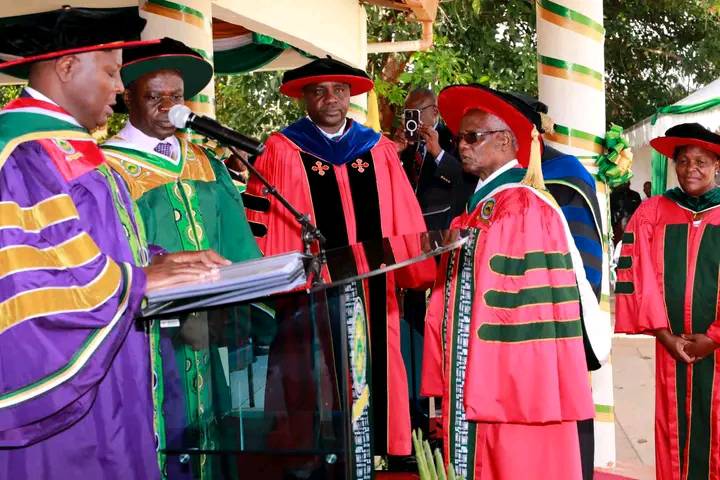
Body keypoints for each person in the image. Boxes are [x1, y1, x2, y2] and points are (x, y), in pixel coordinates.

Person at [0, 7, 226, 480]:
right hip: (65, 405)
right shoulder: (23, 151)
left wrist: (160, 262)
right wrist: (139, 279)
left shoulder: (71, 148)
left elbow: (88, 247)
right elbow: (38, 281)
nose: (119, 89)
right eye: (110, 72)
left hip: (113, 368)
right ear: (65, 67)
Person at [244, 57, 435, 463]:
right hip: (311, 293)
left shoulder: (378, 149)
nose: (331, 99)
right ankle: (314, 458)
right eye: (319, 91)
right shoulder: (282, 149)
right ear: (305, 99)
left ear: (351, 96)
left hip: (373, 287)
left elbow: (403, 216)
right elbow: (262, 223)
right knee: (311, 371)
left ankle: (381, 450)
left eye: (340, 90)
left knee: (380, 362)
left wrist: (415, 268)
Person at [101, 37, 269, 479]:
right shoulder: (106, 169)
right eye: (155, 97)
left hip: (209, 334)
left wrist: (233, 315)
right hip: (147, 341)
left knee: (209, 443)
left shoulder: (205, 163)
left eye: (176, 97)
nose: (168, 107)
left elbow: (237, 246)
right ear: (127, 97)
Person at [421, 84, 595, 480]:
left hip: (508, 387)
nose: (461, 145)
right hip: (477, 378)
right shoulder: (484, 206)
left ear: (504, 141)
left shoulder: (522, 207)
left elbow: (521, 315)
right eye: (458, 137)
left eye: (472, 136)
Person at [615, 122, 720, 480]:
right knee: (673, 431)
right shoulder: (653, 213)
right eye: (684, 160)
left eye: (702, 161)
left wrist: (714, 337)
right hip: (670, 347)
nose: (692, 168)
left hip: (717, 349)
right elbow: (638, 276)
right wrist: (664, 335)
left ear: (716, 166)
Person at [395, 87, 476, 230]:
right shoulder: (406, 140)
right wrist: (396, 153)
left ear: (435, 112)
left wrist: (438, 153)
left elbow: (465, 180)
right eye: (408, 114)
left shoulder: (454, 138)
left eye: (416, 113)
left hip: (438, 226)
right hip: (404, 221)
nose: (412, 119)